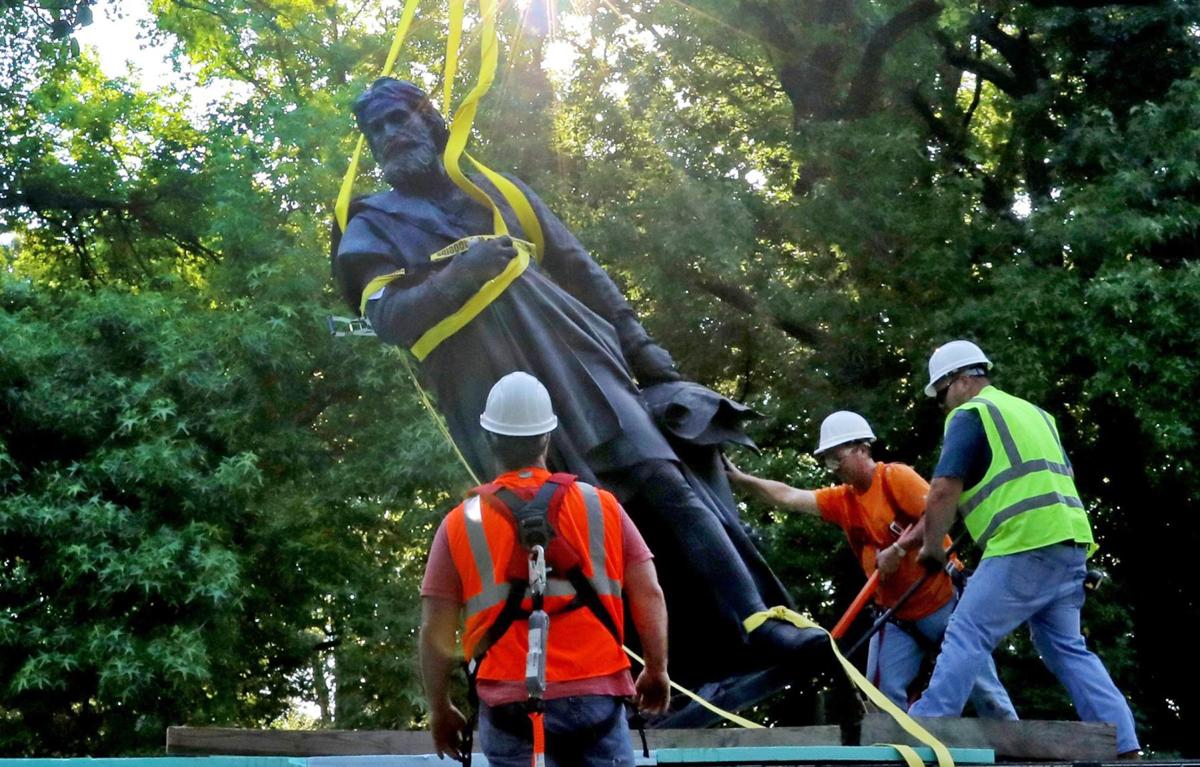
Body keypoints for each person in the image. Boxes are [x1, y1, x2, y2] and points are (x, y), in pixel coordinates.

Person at [333, 77, 833, 706]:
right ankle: (641, 683)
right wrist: (464, 273)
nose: (390, 137)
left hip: (580, 359)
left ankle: (760, 629)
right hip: (499, 391)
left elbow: (583, 272)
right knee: (576, 531)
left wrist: (653, 363)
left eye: (399, 118)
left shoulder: (501, 191)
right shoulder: (372, 224)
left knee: (664, 480)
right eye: (376, 131)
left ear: (432, 119)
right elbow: (389, 319)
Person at [419, 372, 670, 766]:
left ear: (489, 438)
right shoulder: (601, 506)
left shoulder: (461, 521)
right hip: (597, 693)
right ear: (547, 436)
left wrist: (440, 707)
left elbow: (435, 627)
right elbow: (649, 591)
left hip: (509, 700)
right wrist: (656, 668)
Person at [910, 340, 1139, 756]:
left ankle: (928, 725)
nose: (943, 404)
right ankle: (1122, 742)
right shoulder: (1036, 415)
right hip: (1068, 545)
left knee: (966, 631)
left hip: (1024, 544)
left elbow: (943, 489)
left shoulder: (971, 413)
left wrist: (931, 549)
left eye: (941, 394)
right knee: (1066, 648)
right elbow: (1045, 476)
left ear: (960, 381)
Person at [726, 411, 1015, 717]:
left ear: (862, 449)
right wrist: (742, 480)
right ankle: (899, 756)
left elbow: (938, 514)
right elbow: (788, 496)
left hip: (941, 601)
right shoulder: (843, 501)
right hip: (896, 615)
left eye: (837, 459)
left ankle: (1018, 748)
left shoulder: (895, 478)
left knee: (982, 685)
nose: (834, 469)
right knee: (882, 699)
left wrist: (900, 548)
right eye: (828, 461)